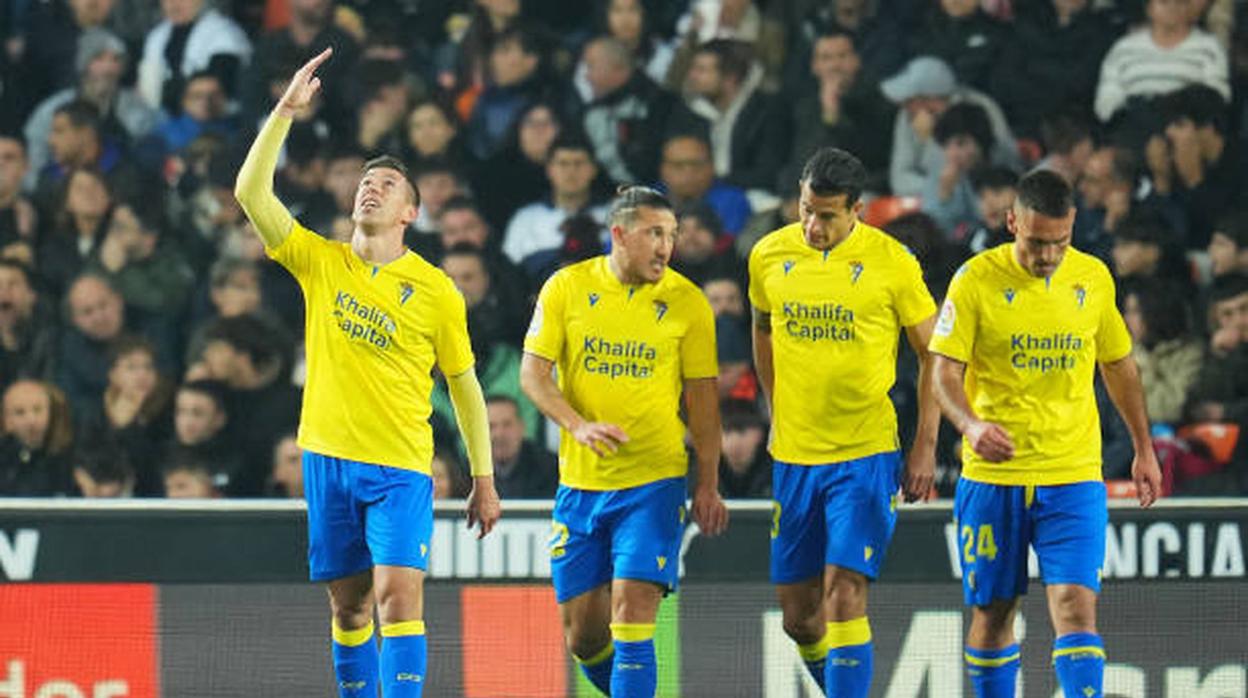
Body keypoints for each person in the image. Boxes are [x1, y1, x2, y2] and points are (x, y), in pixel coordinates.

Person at [234, 48, 500, 697]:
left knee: (396, 597)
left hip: (400, 465)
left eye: (387, 186)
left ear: (410, 213)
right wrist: (285, 113)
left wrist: (483, 477)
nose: (370, 187)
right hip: (326, 459)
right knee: (349, 608)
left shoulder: (436, 291)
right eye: (365, 182)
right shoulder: (318, 261)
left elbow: (463, 385)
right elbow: (249, 192)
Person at [928, 169, 1162, 698]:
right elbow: (943, 370)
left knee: (1076, 607)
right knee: (992, 614)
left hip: (1073, 472)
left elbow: (1119, 365)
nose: (1048, 255)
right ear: (1012, 223)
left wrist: (1144, 448)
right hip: (994, 476)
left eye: (1060, 242)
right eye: (1036, 242)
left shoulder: (1094, 278)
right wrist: (970, 424)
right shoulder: (974, 281)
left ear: (1073, 225)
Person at [520, 185, 729, 697]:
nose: (666, 246)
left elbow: (702, 405)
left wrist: (707, 483)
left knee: (632, 616)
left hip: (654, 481)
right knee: (585, 638)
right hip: (581, 483)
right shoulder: (566, 288)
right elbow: (533, 376)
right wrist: (577, 426)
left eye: (672, 235)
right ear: (619, 234)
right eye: (655, 233)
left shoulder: (688, 303)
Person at [749, 147, 939, 696]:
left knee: (844, 592)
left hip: (865, 452)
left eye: (827, 215)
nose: (812, 225)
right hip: (795, 455)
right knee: (799, 618)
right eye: (806, 209)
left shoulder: (893, 262)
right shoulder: (768, 255)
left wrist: (924, 445)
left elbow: (934, 354)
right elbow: (763, 329)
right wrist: (773, 401)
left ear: (858, 210)